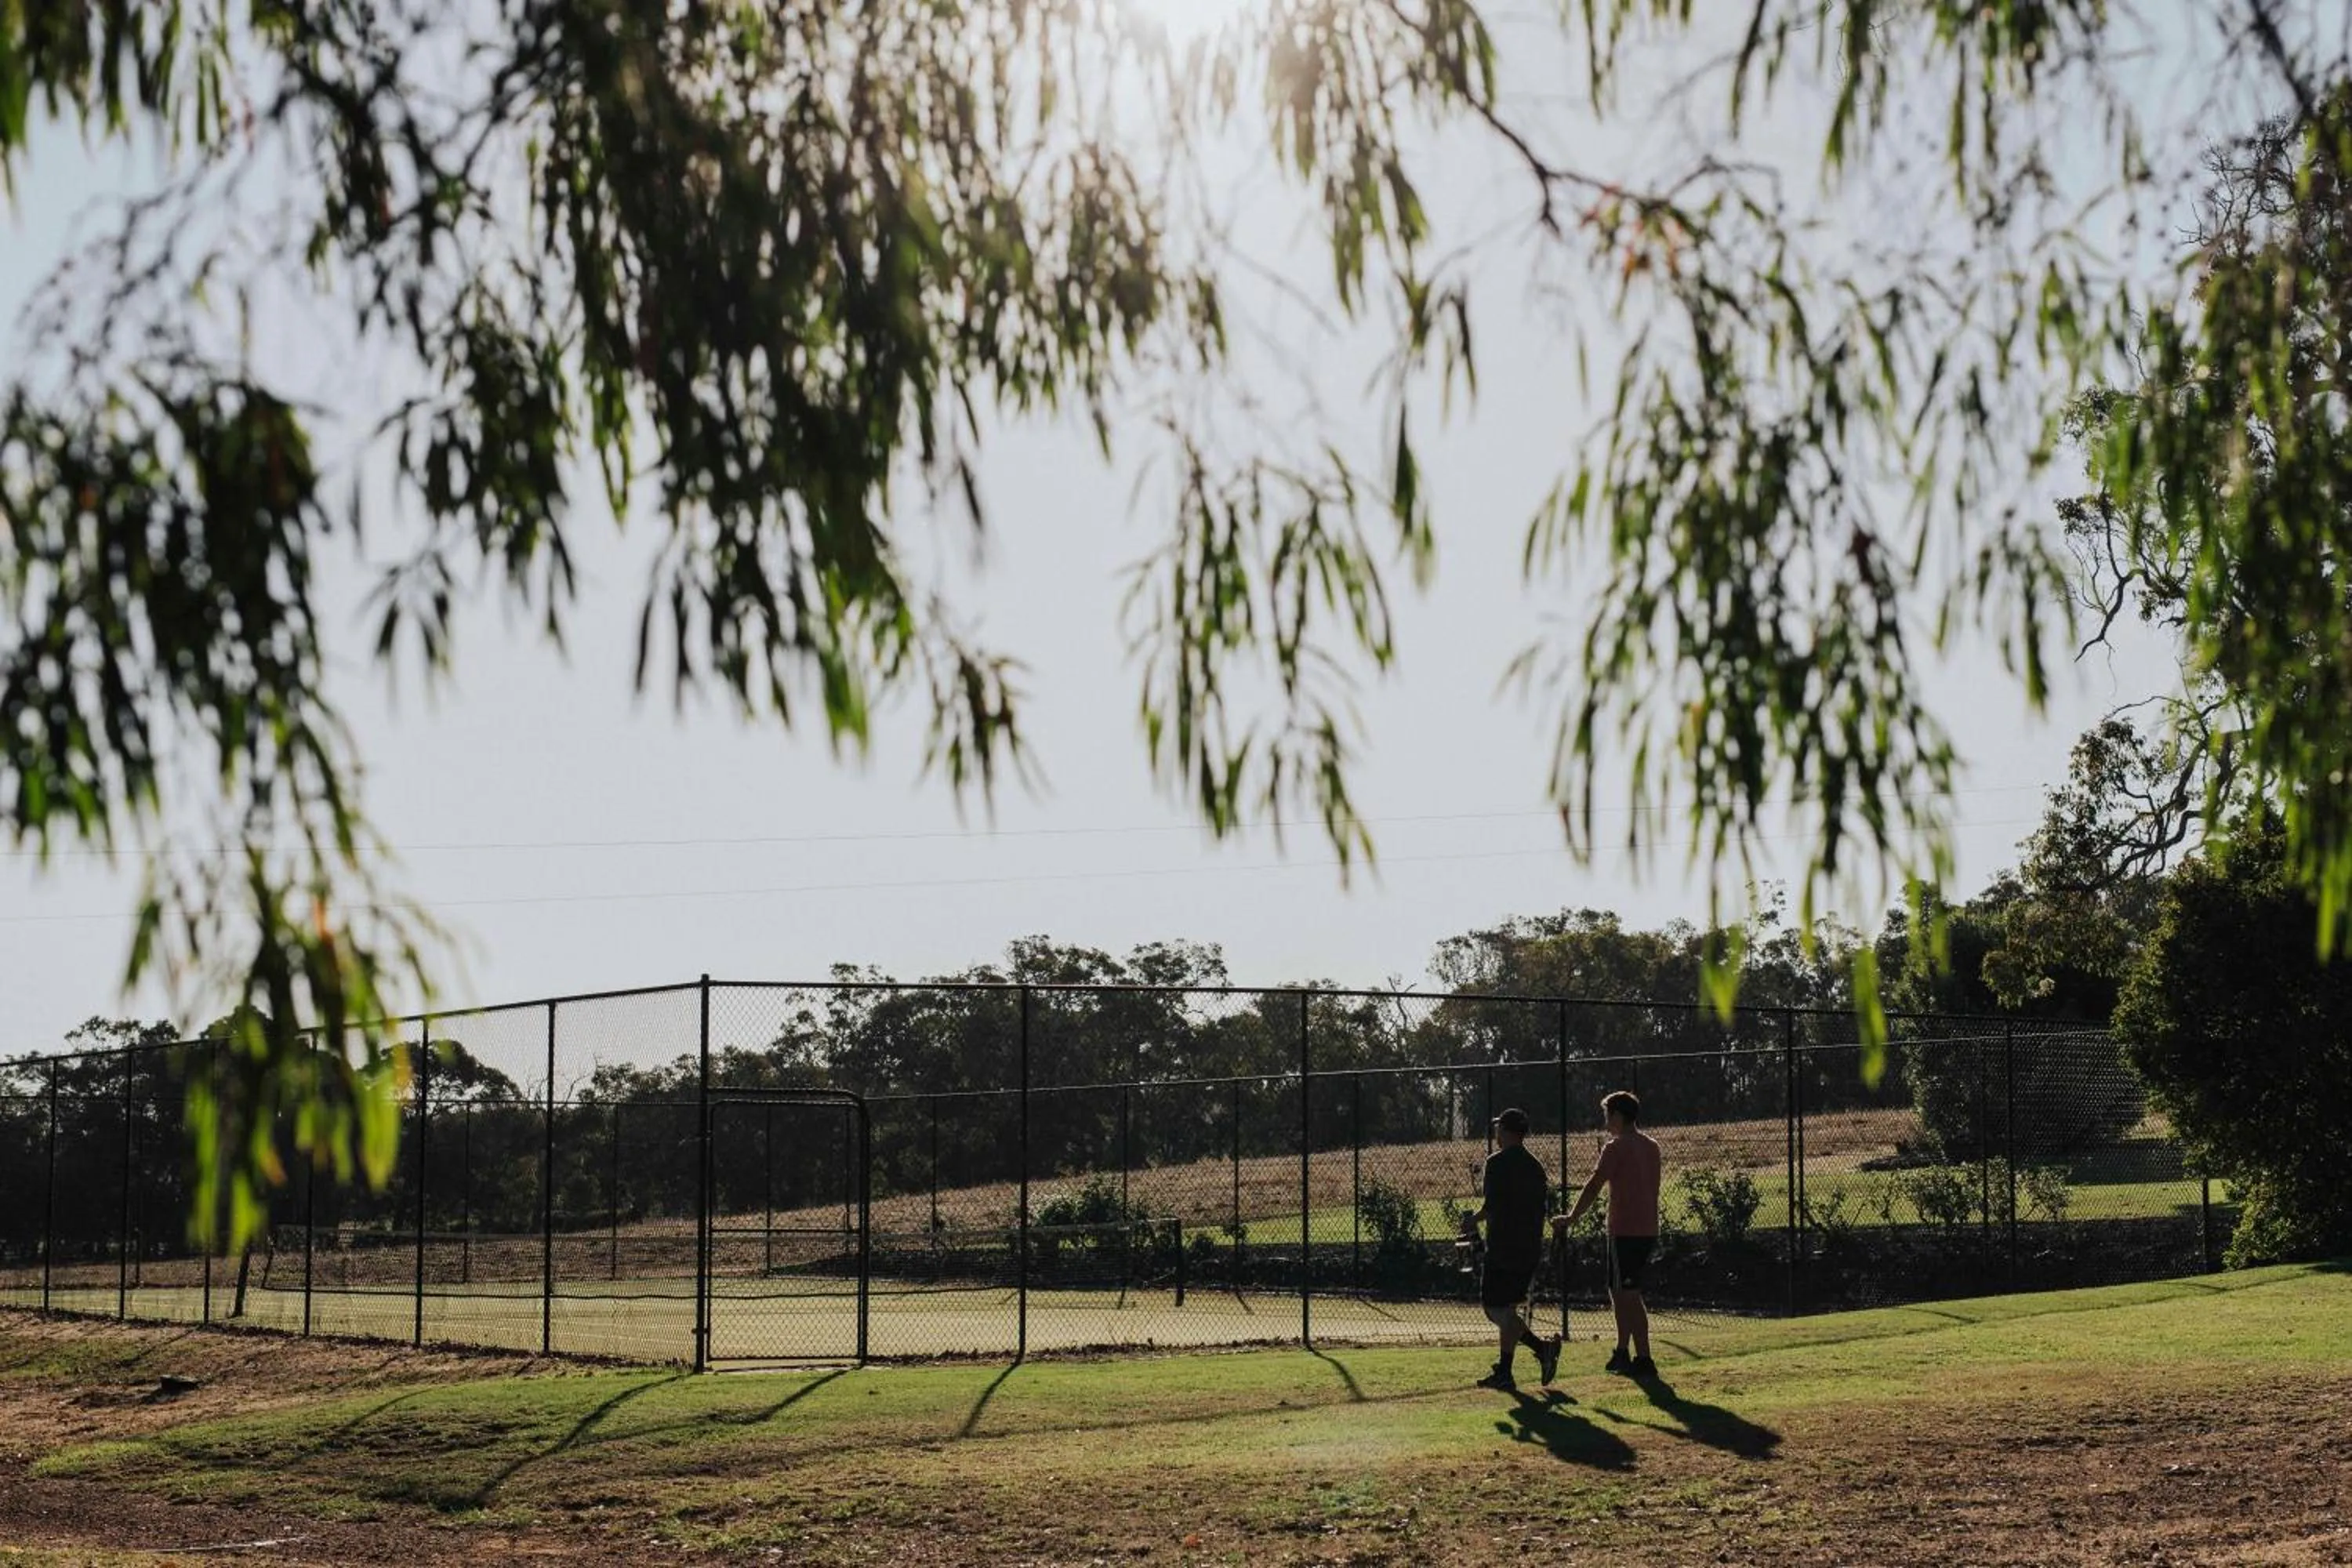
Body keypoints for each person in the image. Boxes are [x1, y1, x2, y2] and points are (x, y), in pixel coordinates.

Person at [1553, 1090, 1662, 1377]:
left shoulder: (1615, 1148)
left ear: (1618, 1115)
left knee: (1628, 1294)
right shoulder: (1652, 1146)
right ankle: (1622, 1351)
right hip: (1648, 1229)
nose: (1606, 1122)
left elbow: (1594, 1185)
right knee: (1620, 1291)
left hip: (1625, 1230)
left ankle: (1644, 1358)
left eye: (1607, 1116)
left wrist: (1572, 1217)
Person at [1464, 1106, 1562, 1391]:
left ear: (1505, 1131)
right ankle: (1506, 1371)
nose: (1496, 1133)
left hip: (1503, 1247)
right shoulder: (1535, 1165)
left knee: (1494, 1309)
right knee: (1506, 1308)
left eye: (1498, 1129)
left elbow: (1490, 1206)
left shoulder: (1496, 1162)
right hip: (1528, 1248)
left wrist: (1472, 1221)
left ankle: (1541, 1349)